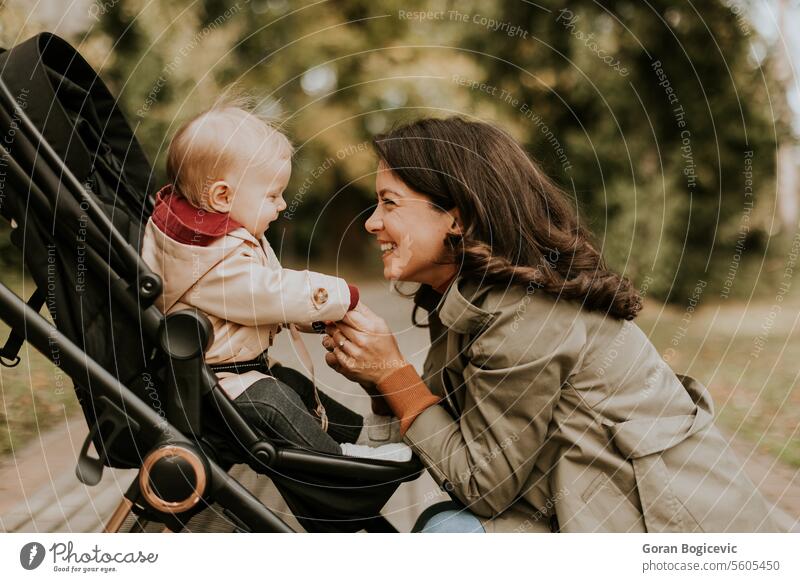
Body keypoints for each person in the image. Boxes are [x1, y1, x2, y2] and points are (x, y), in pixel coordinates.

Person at [323, 116, 779, 532]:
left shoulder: (525, 318)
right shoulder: (470, 300)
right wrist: (379, 381)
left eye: (389, 202)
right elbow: (445, 433)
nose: (371, 222)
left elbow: (481, 485)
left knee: (449, 536)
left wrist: (392, 375)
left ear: (456, 218)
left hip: (672, 540)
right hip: (585, 513)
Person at [141, 101, 409, 462]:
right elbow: (268, 292)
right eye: (272, 195)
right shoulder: (204, 256)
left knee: (294, 385)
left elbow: (263, 296)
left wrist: (316, 318)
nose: (282, 205)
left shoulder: (216, 239)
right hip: (214, 388)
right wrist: (340, 296)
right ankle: (336, 459)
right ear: (222, 196)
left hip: (234, 375)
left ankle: (368, 436)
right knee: (274, 401)